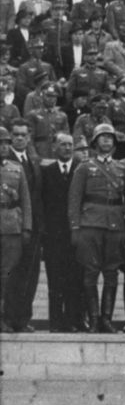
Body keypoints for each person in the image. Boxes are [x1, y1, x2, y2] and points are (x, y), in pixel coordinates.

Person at [68, 124, 125, 333]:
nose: (106, 140)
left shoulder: (122, 169)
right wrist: (75, 228)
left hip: (116, 226)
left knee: (111, 273)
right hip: (90, 225)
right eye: (102, 137)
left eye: (110, 138)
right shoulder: (84, 167)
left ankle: (107, 319)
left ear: (115, 144)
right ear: (95, 142)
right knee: (90, 272)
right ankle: (94, 318)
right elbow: (74, 200)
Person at [39, 133, 81, 331]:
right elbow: (41, 203)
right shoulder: (46, 172)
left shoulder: (81, 169)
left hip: (76, 234)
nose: (67, 148)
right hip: (53, 236)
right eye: (63, 144)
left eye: (70, 144)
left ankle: (73, 320)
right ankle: (56, 322)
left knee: (75, 279)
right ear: (54, 147)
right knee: (55, 281)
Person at [0, 126, 34, 333]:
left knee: (7, 276)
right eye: (0, 143)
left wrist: (26, 227)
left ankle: (4, 318)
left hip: (12, 227)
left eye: (6, 143)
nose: (4, 147)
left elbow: (26, 201)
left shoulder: (16, 168)